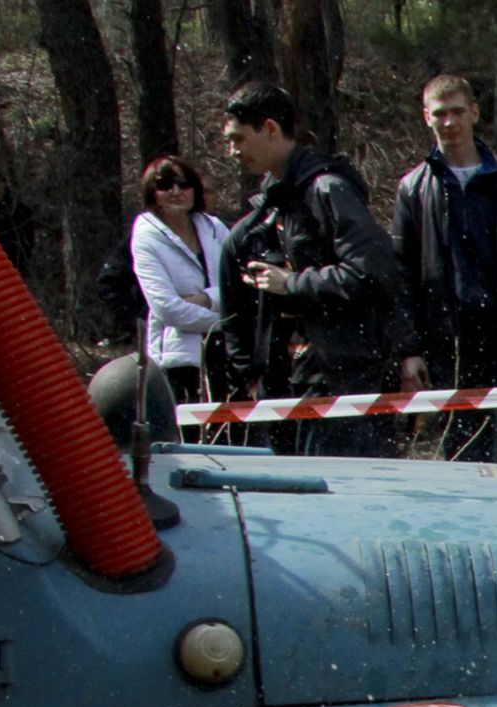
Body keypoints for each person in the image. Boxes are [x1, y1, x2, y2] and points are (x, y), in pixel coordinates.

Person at [218, 81, 409, 457]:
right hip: (289, 385)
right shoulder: (266, 210)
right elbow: (234, 311)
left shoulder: (328, 190)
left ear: (270, 128)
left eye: (238, 139)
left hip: (344, 380)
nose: (232, 151)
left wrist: (292, 284)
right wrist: (253, 375)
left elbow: (373, 275)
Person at [391, 74, 497, 466]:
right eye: (440, 114)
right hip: (452, 346)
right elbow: (401, 273)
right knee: (469, 460)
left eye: (457, 112)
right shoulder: (413, 189)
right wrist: (409, 349)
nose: (449, 122)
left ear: (474, 112)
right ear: (426, 118)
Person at [129, 155, 230, 409]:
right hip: (178, 359)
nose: (176, 191)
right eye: (165, 185)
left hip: (228, 355)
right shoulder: (145, 237)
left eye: (184, 184)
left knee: (233, 437)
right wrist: (225, 323)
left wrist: (207, 298)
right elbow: (167, 309)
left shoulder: (215, 227)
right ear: (153, 193)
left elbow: (239, 286)